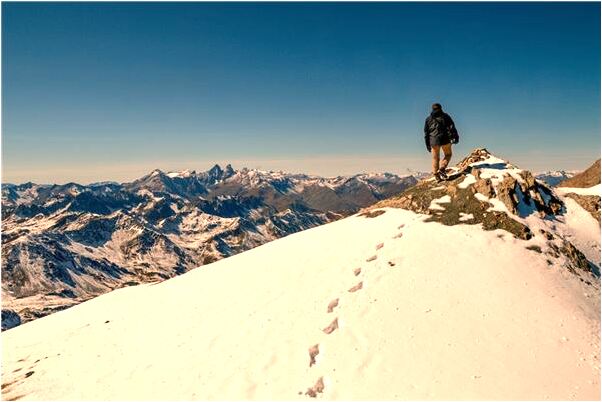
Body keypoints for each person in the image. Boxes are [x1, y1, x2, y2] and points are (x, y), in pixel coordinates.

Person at [424, 103, 460, 181]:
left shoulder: (428, 119)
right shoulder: (446, 116)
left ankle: (437, 177)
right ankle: (442, 168)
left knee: (435, 158)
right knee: (448, 154)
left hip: (433, 141)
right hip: (445, 139)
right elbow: (452, 127)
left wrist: (427, 144)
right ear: (441, 108)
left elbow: (426, 133)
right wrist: (456, 137)